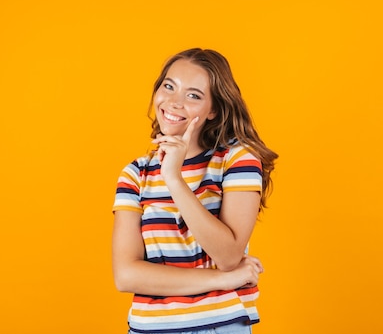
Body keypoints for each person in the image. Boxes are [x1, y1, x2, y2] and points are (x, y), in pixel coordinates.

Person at [112, 48, 278, 334]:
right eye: (169, 86)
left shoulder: (237, 160)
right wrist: (220, 281)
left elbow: (227, 255)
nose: (174, 103)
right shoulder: (135, 173)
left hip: (218, 326)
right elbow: (126, 276)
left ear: (213, 109)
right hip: (148, 329)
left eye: (193, 95)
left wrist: (174, 179)